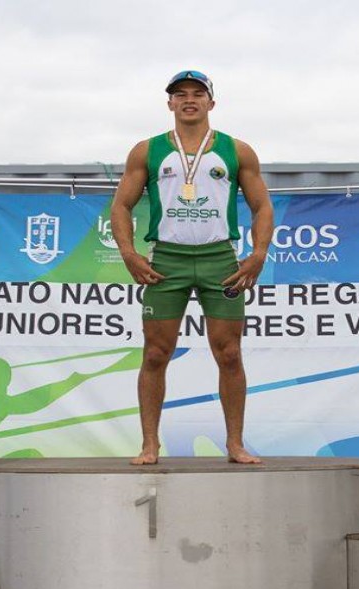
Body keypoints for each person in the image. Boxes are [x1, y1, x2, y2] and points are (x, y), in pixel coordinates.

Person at [110, 70, 274, 465]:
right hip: (167, 259)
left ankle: (235, 445)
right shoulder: (146, 151)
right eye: (180, 94)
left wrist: (258, 253)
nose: (189, 100)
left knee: (229, 353)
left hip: (220, 259)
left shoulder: (238, 150)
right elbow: (120, 205)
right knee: (155, 353)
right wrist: (129, 253)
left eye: (197, 94)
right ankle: (150, 445)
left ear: (210, 103)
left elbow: (262, 206)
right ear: (169, 103)